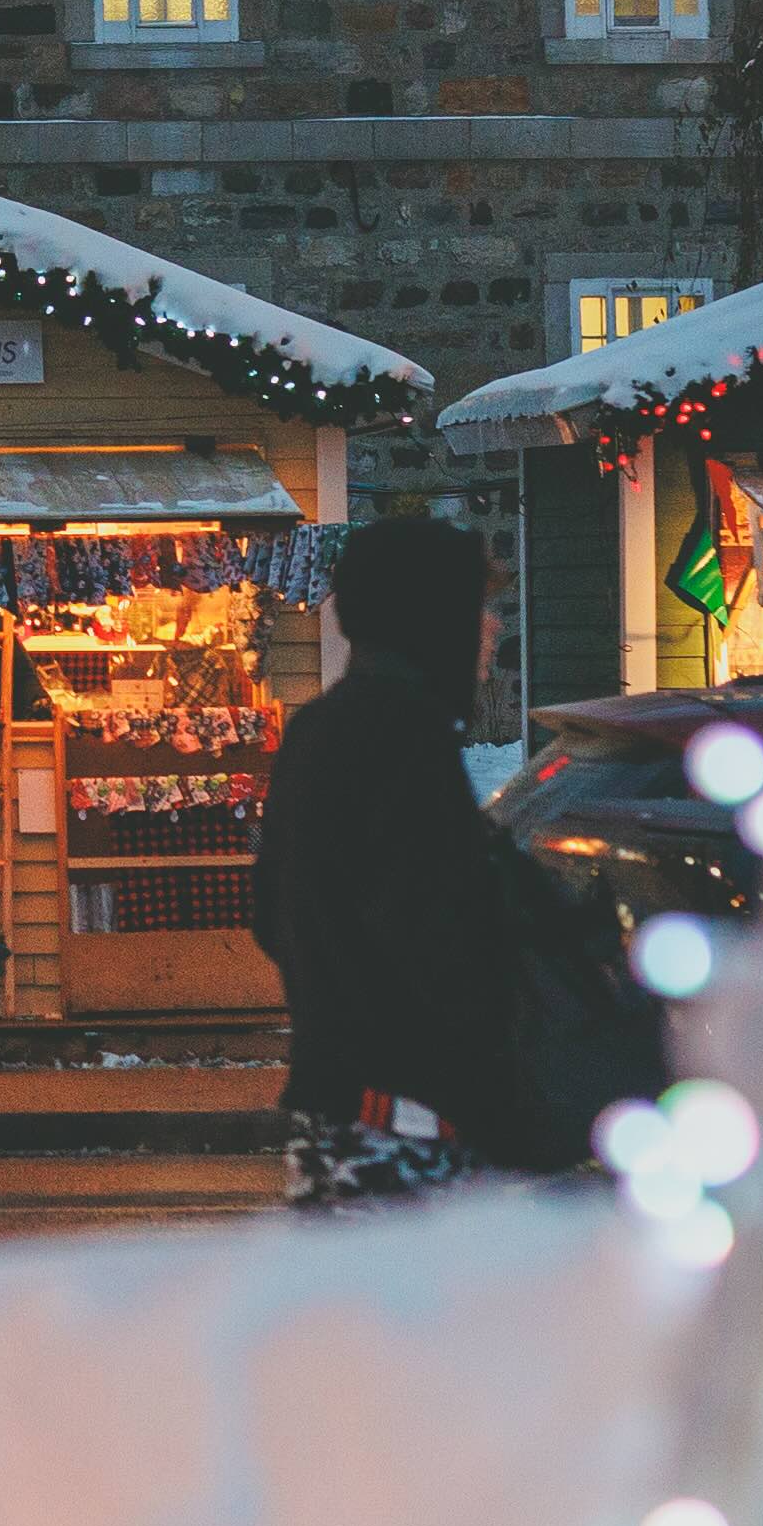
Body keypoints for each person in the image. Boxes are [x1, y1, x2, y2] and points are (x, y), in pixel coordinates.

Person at [252, 517, 539, 1206]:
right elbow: (435, 932)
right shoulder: (405, 739)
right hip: (409, 1108)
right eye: (477, 607)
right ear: (429, 619)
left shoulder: (322, 727)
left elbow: (269, 909)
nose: (493, 628)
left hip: (339, 1093)